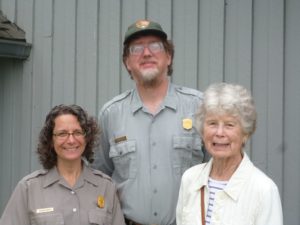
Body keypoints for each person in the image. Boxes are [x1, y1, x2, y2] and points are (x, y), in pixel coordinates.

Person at [92, 19, 208, 225]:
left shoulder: (200, 107)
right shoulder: (111, 114)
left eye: (155, 46)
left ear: (169, 56)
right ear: (127, 62)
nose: (146, 53)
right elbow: (100, 178)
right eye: (136, 48)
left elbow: (221, 170)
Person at [176, 83, 283, 225]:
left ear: (245, 132)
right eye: (212, 123)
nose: (219, 133)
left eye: (229, 125)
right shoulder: (190, 179)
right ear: (202, 130)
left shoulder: (264, 190)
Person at [0, 104, 125, 225]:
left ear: (87, 138)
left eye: (77, 132)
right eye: (62, 134)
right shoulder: (28, 189)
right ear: (50, 140)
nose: (71, 140)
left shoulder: (106, 187)